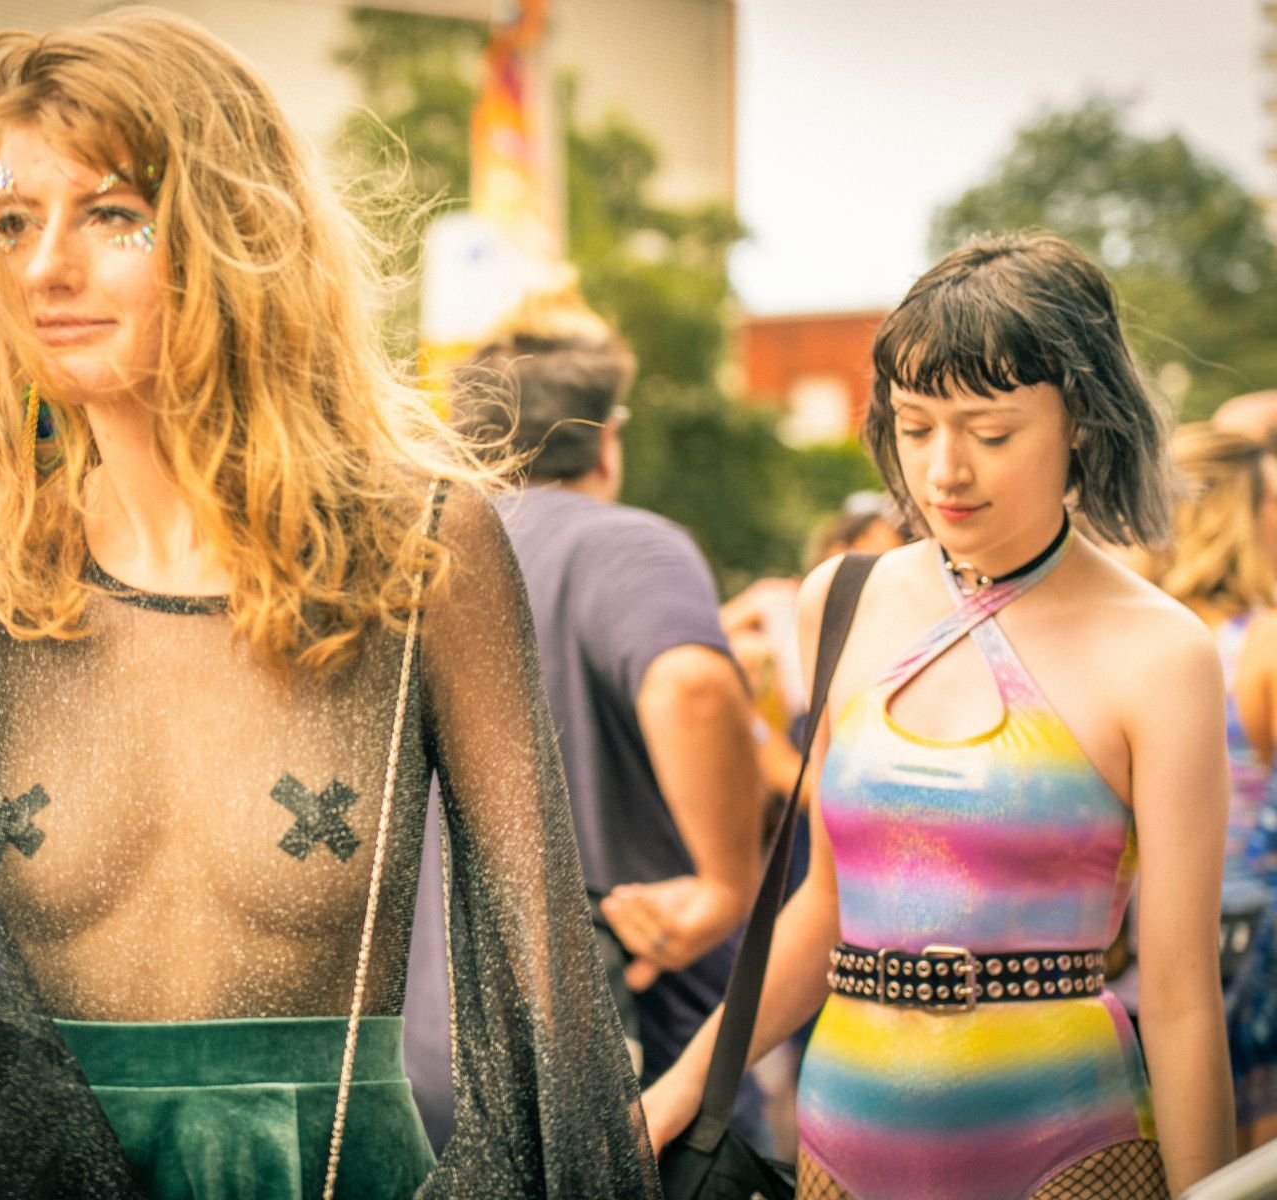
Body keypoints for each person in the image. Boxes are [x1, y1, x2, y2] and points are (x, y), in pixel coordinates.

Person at [0, 8, 658, 1198]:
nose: (47, 267)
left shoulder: (419, 549)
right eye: (15, 222)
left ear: (235, 232)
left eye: (114, 215)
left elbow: (540, 965)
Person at [642, 232, 1235, 1198]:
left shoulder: (1161, 652)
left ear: (1080, 419)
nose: (944, 472)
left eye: (990, 433)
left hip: (1071, 1155)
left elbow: (1179, 998)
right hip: (841, 1149)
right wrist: (675, 1094)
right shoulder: (840, 600)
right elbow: (824, 910)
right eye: (915, 428)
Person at [404, 286, 764, 1141]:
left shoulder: (411, 563)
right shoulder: (622, 542)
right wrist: (726, 883)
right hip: (640, 1071)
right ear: (606, 440)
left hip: (428, 1069)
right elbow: (694, 685)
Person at [1140, 425, 1277, 1153]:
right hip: (1247, 967)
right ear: (1241, 514)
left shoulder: (1120, 639)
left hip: (1123, 971)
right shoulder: (1264, 644)